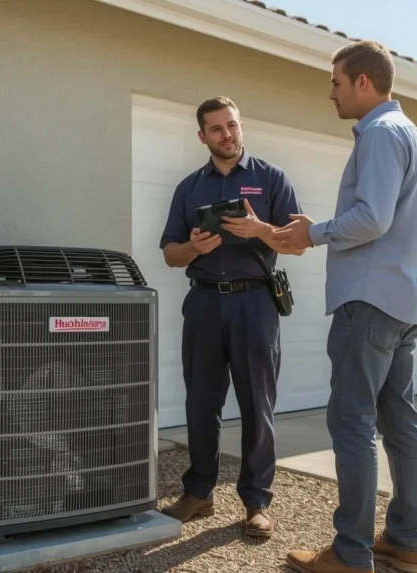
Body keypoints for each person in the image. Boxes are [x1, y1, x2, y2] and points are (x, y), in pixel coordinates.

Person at [274, 40, 417, 573]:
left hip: (368, 302)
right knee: (399, 423)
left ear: (363, 81)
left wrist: (313, 233)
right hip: (403, 300)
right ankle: (403, 541)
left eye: (337, 83)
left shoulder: (381, 134)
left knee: (353, 423)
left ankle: (350, 555)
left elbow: (372, 218)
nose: (332, 93)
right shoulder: (411, 135)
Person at [157, 96, 304, 538]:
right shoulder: (189, 188)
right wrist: (193, 249)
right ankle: (199, 492)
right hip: (203, 302)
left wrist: (260, 230)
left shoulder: (271, 179)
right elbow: (169, 253)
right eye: (217, 129)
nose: (228, 135)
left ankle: (257, 502)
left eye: (233, 125)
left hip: (254, 304)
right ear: (202, 136)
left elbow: (297, 244)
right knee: (201, 403)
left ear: (241, 127)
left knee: (258, 404)